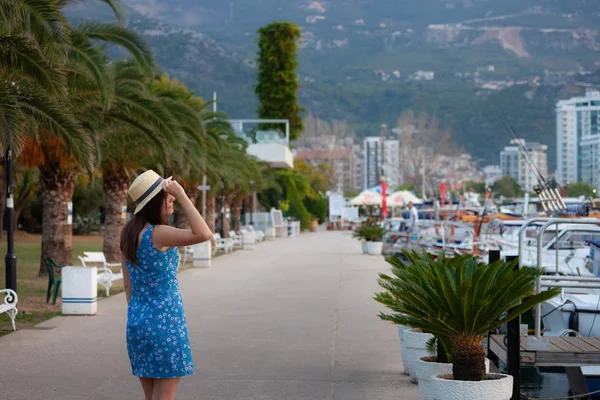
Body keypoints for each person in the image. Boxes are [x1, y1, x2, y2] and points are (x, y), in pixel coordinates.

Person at [120, 170, 213, 400]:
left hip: (138, 324)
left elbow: (128, 288)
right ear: (153, 202)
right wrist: (182, 194)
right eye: (166, 194)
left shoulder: (128, 234)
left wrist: (142, 317)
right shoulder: (158, 234)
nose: (171, 198)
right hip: (165, 326)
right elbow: (203, 233)